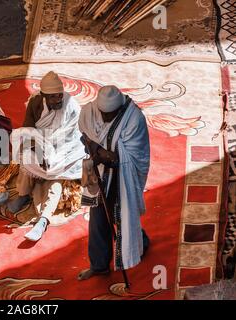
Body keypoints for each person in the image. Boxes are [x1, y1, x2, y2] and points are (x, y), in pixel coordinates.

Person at [77, 85, 151, 281]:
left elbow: (128, 156)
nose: (107, 118)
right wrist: (98, 149)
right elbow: (84, 133)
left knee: (124, 214)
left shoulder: (134, 119)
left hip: (124, 174)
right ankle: (99, 265)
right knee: (98, 218)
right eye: (104, 114)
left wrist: (100, 150)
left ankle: (139, 242)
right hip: (100, 173)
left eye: (111, 115)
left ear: (119, 109)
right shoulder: (90, 111)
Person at [8, 71, 86, 242]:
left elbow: (73, 136)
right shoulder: (35, 103)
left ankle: (44, 219)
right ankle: (23, 194)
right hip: (41, 143)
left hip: (65, 148)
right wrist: (40, 151)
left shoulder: (71, 106)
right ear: (44, 95)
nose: (58, 99)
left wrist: (52, 156)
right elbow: (28, 130)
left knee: (55, 175)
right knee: (26, 157)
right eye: (53, 97)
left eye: (60, 95)